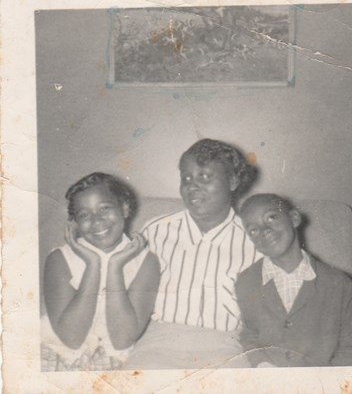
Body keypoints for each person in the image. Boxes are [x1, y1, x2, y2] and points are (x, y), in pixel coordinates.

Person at [122, 138, 259, 369]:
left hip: (225, 346)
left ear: (233, 181)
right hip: (157, 342)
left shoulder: (254, 239)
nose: (192, 186)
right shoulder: (155, 231)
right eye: (186, 178)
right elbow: (125, 296)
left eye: (205, 177)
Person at [41, 172, 160, 371]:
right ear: (75, 223)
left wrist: (115, 267)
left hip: (113, 360)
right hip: (56, 351)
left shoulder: (147, 262)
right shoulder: (59, 259)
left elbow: (122, 340)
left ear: (124, 208)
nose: (96, 220)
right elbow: (71, 339)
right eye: (84, 215)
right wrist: (93, 265)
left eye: (105, 208)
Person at [236, 193, 352, 367]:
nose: (264, 230)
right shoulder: (246, 282)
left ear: (294, 218)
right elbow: (250, 335)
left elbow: (348, 348)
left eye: (271, 218)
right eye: (253, 229)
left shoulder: (338, 284)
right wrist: (261, 364)